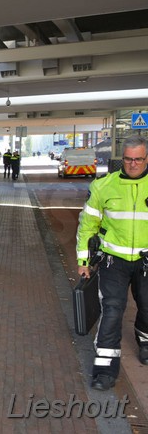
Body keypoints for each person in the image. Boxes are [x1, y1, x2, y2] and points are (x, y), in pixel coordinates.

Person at [76, 134, 148, 391]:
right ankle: (104, 371)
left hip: (146, 260)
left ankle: (145, 340)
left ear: (146, 158)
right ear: (122, 159)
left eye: (139, 159)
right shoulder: (103, 186)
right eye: (128, 159)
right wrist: (83, 261)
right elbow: (87, 227)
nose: (133, 164)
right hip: (112, 261)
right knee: (112, 311)